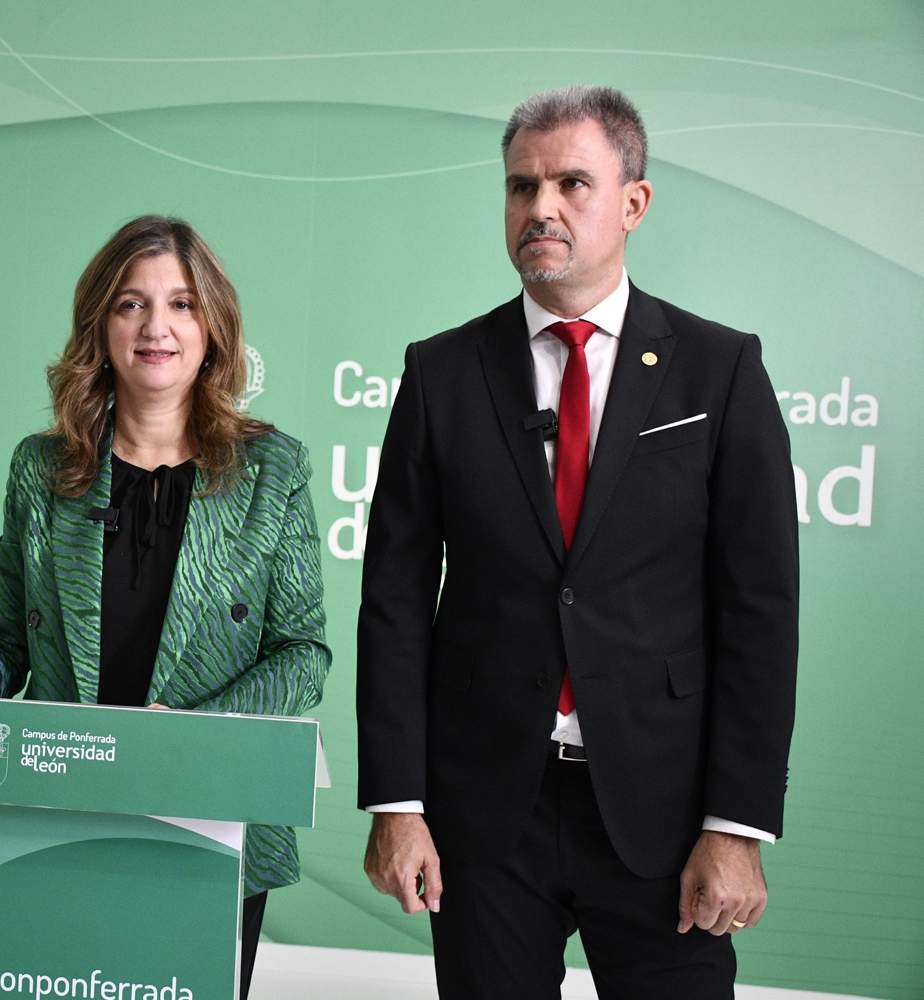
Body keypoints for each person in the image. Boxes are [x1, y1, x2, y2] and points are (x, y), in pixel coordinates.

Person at [356, 86, 799, 998]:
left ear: (633, 202)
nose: (541, 209)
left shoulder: (722, 369)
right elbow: (395, 602)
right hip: (485, 819)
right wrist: (398, 806)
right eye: (521, 188)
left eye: (571, 184)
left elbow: (760, 613)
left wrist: (737, 824)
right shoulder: (441, 373)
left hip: (665, 819)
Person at [0, 215, 331, 999]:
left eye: (183, 305)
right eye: (131, 304)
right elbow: (3, 635)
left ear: (213, 327)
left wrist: (187, 738)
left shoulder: (272, 469)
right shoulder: (40, 468)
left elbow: (302, 655)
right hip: (60, 815)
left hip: (213, 823)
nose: (157, 326)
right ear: (101, 325)